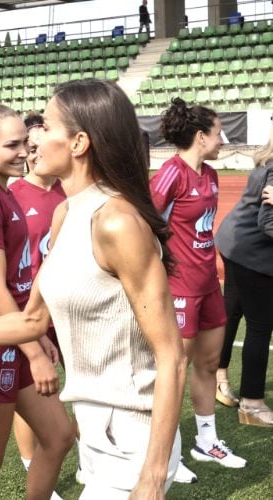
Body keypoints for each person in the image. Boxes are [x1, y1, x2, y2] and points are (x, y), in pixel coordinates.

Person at [0, 79, 187, 498]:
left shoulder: (117, 223)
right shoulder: (66, 213)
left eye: (46, 126)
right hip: (96, 432)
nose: (34, 137)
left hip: (133, 437)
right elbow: (32, 319)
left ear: (78, 143)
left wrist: (152, 474)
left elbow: (172, 356)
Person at [0, 102, 74, 500]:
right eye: (13, 145)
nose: (25, 152)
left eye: (26, 142)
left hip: (17, 337)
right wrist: (34, 351)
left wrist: (35, 337)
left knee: (59, 435)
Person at [150, 98, 247, 482]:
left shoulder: (209, 174)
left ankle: (206, 442)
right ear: (201, 136)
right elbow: (146, 225)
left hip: (208, 285)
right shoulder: (169, 175)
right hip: (178, 290)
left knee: (208, 364)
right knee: (173, 371)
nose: (223, 139)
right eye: (219, 132)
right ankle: (168, 452)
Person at [8, 112, 68, 477]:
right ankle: (32, 465)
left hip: (66, 306)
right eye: (29, 146)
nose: (35, 150)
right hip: (29, 309)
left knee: (71, 385)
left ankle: (85, 462)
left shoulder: (68, 192)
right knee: (34, 391)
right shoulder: (12, 195)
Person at [214, 127, 273, 428]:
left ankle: (218, 374)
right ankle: (252, 402)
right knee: (261, 326)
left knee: (232, 312)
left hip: (234, 242)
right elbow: (269, 223)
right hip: (251, 253)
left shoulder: (268, 161)